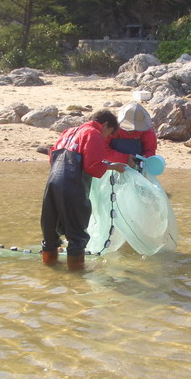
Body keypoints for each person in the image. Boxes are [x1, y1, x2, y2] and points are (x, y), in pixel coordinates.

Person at [40, 110, 126, 270]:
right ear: (105, 125)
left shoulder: (68, 132)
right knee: (77, 236)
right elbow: (92, 166)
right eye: (109, 133)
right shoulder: (93, 133)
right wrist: (114, 166)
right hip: (72, 185)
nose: (106, 137)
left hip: (52, 185)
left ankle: (49, 272)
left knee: (50, 233)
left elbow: (52, 157)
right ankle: (77, 276)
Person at [105, 101, 158, 168]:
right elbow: (103, 151)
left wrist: (146, 157)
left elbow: (150, 150)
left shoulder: (147, 131)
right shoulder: (111, 129)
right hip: (112, 164)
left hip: (137, 165)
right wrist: (125, 159)